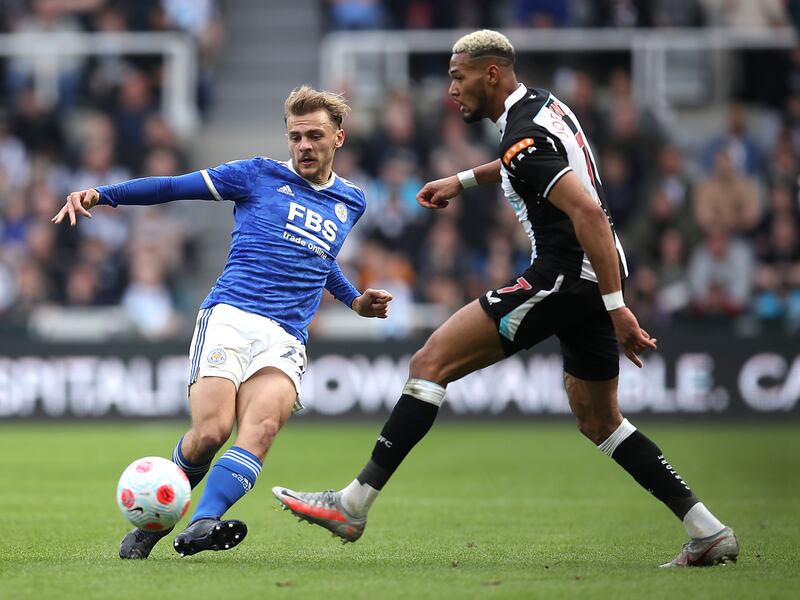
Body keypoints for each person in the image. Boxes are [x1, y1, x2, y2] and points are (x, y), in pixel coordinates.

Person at [272, 30, 739, 568]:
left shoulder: (521, 134)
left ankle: (353, 504)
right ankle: (706, 530)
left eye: (458, 76)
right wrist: (463, 179)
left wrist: (618, 308)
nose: (451, 89)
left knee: (430, 362)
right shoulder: (543, 108)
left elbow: (586, 212)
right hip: (589, 277)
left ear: (490, 74)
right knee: (599, 419)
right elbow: (525, 161)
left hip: (565, 275)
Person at [52, 86, 393, 559]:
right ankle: (155, 525)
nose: (304, 146)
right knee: (211, 431)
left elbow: (320, 258)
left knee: (262, 427)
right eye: (296, 137)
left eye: (315, 136)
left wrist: (354, 301)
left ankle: (204, 521)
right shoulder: (256, 175)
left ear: (339, 137)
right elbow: (173, 186)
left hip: (286, 335)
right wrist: (104, 194)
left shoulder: (351, 201)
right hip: (231, 316)